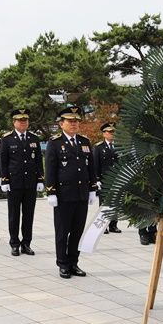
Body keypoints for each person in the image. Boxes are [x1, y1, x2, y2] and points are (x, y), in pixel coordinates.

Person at [45, 106, 97, 279]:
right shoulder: (54, 143)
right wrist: (51, 191)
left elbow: (91, 168)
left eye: (76, 121)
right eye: (70, 121)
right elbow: (50, 169)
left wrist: (92, 189)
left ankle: (74, 262)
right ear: (61, 124)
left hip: (81, 194)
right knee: (62, 231)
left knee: (77, 231)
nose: (74, 124)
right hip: (63, 194)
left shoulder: (84, 142)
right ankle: (62, 264)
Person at [0, 109, 44, 256]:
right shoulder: (7, 139)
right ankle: (14, 243)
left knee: (28, 215)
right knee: (14, 214)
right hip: (14, 182)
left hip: (30, 183)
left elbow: (38, 161)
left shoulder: (33, 138)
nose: (23, 122)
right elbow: (3, 161)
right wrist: (4, 179)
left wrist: (40, 179)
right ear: (14, 122)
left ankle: (26, 244)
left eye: (25, 120)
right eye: (20, 120)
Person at [92, 121, 121, 234]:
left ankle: (113, 225)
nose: (112, 134)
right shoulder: (98, 147)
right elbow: (95, 164)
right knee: (104, 203)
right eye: (109, 132)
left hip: (116, 179)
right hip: (104, 179)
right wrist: (97, 179)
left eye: (113, 132)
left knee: (115, 202)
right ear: (104, 134)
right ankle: (103, 226)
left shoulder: (119, 147)